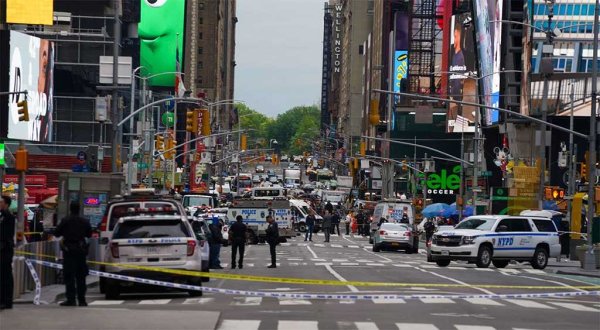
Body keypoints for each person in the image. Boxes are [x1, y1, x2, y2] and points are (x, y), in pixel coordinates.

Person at [54, 201, 92, 307]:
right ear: (79, 209)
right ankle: (82, 300)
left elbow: (57, 233)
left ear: (70, 209)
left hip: (69, 250)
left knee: (69, 276)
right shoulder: (84, 221)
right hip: (81, 250)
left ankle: (71, 299)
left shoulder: (65, 220)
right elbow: (89, 234)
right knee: (81, 276)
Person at [0, 196, 16, 310]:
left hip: (5, 250)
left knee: (6, 275)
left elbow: (6, 234)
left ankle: (7, 301)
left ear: (6, 204)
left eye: (1, 202)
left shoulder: (9, 217)